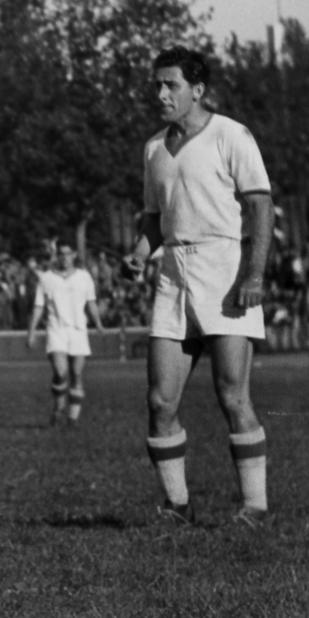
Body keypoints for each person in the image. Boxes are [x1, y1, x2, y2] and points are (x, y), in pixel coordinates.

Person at [122, 47, 274, 528]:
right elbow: (154, 219)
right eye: (157, 85)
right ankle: (177, 506)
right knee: (160, 401)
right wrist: (140, 253)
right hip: (173, 276)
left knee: (232, 395)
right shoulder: (153, 149)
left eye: (171, 85)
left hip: (224, 269)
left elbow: (262, 208)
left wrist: (254, 274)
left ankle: (254, 507)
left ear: (198, 90)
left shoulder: (231, 134)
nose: (161, 94)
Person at [26, 240, 106, 426]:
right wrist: (31, 332)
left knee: (76, 373)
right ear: (57, 256)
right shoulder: (46, 278)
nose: (65, 257)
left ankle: (72, 418)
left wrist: (98, 323)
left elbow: (91, 302)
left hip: (78, 330)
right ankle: (58, 407)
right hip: (56, 329)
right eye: (61, 254)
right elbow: (38, 307)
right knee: (60, 372)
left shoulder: (84, 277)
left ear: (74, 255)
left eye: (68, 253)